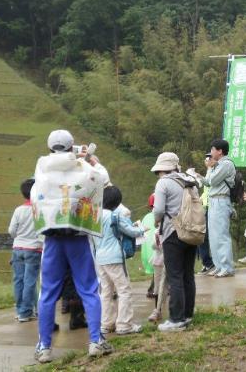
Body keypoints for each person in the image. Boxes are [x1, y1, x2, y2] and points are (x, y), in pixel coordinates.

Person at [31, 130, 113, 363]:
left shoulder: (41, 167)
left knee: (47, 293)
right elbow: (102, 179)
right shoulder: (82, 168)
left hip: (52, 238)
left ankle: (45, 347)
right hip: (78, 236)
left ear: (49, 147)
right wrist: (87, 158)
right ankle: (96, 341)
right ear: (71, 147)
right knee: (89, 289)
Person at [152, 152, 198, 331]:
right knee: (188, 274)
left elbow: (158, 210)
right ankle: (187, 315)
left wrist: (157, 221)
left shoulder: (163, 183)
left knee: (175, 275)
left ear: (162, 169)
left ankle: (176, 319)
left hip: (173, 232)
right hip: (192, 232)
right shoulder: (190, 182)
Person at [95, 186, 145, 335]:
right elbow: (131, 231)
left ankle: (106, 323)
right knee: (124, 290)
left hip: (100, 258)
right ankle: (124, 324)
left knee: (106, 291)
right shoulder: (114, 217)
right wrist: (142, 229)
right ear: (117, 202)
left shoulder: (94, 216)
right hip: (114, 258)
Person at [199, 139, 236, 278]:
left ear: (220, 151)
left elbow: (212, 181)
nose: (211, 153)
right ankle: (219, 265)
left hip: (221, 200)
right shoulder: (218, 165)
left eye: (213, 150)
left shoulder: (226, 164)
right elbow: (208, 182)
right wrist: (198, 175)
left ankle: (227, 266)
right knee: (213, 236)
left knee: (221, 234)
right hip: (213, 200)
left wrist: (210, 167)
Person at [8, 178, 42, 322]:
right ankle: (26, 312)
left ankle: (20, 309)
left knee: (18, 280)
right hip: (33, 249)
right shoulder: (39, 210)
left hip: (17, 248)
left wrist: (19, 237)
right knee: (30, 281)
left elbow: (11, 231)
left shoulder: (18, 210)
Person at [197, 153, 215, 274]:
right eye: (206, 158)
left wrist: (199, 176)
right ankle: (206, 262)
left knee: (206, 236)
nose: (207, 160)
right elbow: (206, 191)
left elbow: (210, 186)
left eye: (209, 158)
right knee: (202, 237)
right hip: (205, 207)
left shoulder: (215, 171)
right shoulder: (209, 171)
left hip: (210, 207)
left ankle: (209, 263)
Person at [141, 194, 156, 296]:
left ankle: (154, 288)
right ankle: (154, 289)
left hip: (147, 255)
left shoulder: (146, 217)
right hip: (157, 252)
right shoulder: (162, 216)